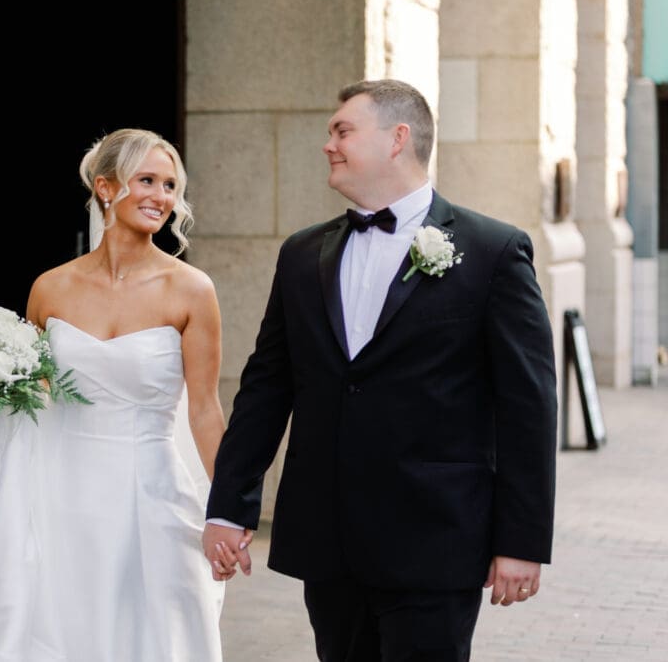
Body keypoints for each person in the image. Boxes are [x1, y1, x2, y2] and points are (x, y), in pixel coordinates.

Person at [201, 79, 558, 661]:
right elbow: (267, 387)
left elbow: (529, 407)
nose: (328, 145)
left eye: (342, 130)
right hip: (329, 539)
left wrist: (521, 541)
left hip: (437, 539)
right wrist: (228, 506)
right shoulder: (301, 254)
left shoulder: (493, 251)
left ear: (398, 138)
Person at [0, 128, 231, 661]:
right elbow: (37, 397)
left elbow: (205, 409)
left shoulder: (191, 290)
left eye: (170, 185)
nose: (162, 197)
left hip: (151, 492)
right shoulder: (51, 288)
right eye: (147, 180)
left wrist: (228, 510)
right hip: (55, 492)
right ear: (106, 187)